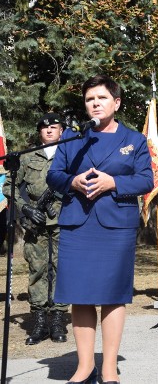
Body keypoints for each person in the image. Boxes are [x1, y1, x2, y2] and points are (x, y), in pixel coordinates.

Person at [47, 75, 153, 383]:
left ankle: (108, 367)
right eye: (90, 98)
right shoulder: (72, 137)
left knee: (112, 296)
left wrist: (114, 182)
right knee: (79, 295)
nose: (95, 102)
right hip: (78, 223)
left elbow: (146, 179)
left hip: (115, 226)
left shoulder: (133, 139)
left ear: (116, 103)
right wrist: (72, 181)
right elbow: (54, 175)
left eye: (102, 98)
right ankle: (84, 366)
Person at [2, 113, 69, 345]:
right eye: (44, 128)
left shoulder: (69, 154)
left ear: (62, 130)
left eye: (54, 127)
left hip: (64, 221)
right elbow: (9, 185)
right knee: (38, 269)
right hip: (36, 223)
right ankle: (40, 323)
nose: (49, 131)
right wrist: (26, 209)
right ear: (39, 132)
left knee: (61, 268)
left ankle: (59, 320)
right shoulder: (28, 156)